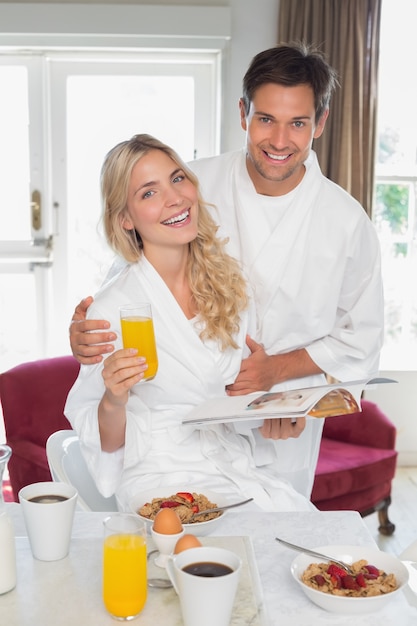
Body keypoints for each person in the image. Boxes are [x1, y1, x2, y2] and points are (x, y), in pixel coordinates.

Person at [68, 43, 384, 499]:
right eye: (265, 119)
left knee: (277, 547)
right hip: (178, 444)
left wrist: (286, 381)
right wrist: (86, 337)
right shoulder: (192, 186)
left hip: (285, 423)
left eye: (297, 122)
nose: (279, 141)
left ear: (320, 123)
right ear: (243, 113)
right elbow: (131, 282)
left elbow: (360, 340)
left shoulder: (346, 221)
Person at [64, 133, 314, 513]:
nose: (174, 198)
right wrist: (114, 397)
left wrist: (275, 416)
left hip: (232, 465)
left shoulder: (231, 285)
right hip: (158, 477)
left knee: (303, 543)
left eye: (177, 178)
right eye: (149, 192)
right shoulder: (111, 309)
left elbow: (235, 398)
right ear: (125, 218)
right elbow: (109, 444)